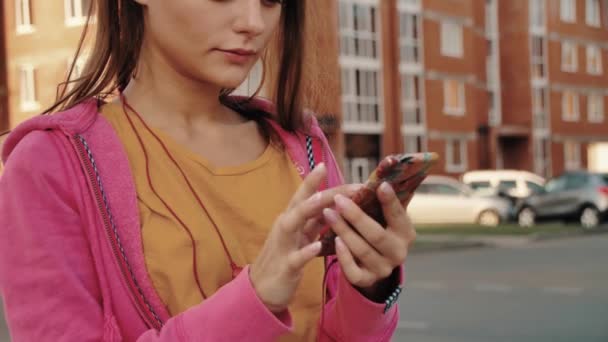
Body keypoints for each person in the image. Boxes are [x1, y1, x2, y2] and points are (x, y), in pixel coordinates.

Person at [0, 0, 416, 341]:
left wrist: (371, 285)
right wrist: (254, 301)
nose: (253, 23)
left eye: (271, 1)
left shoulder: (300, 142)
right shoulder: (50, 164)